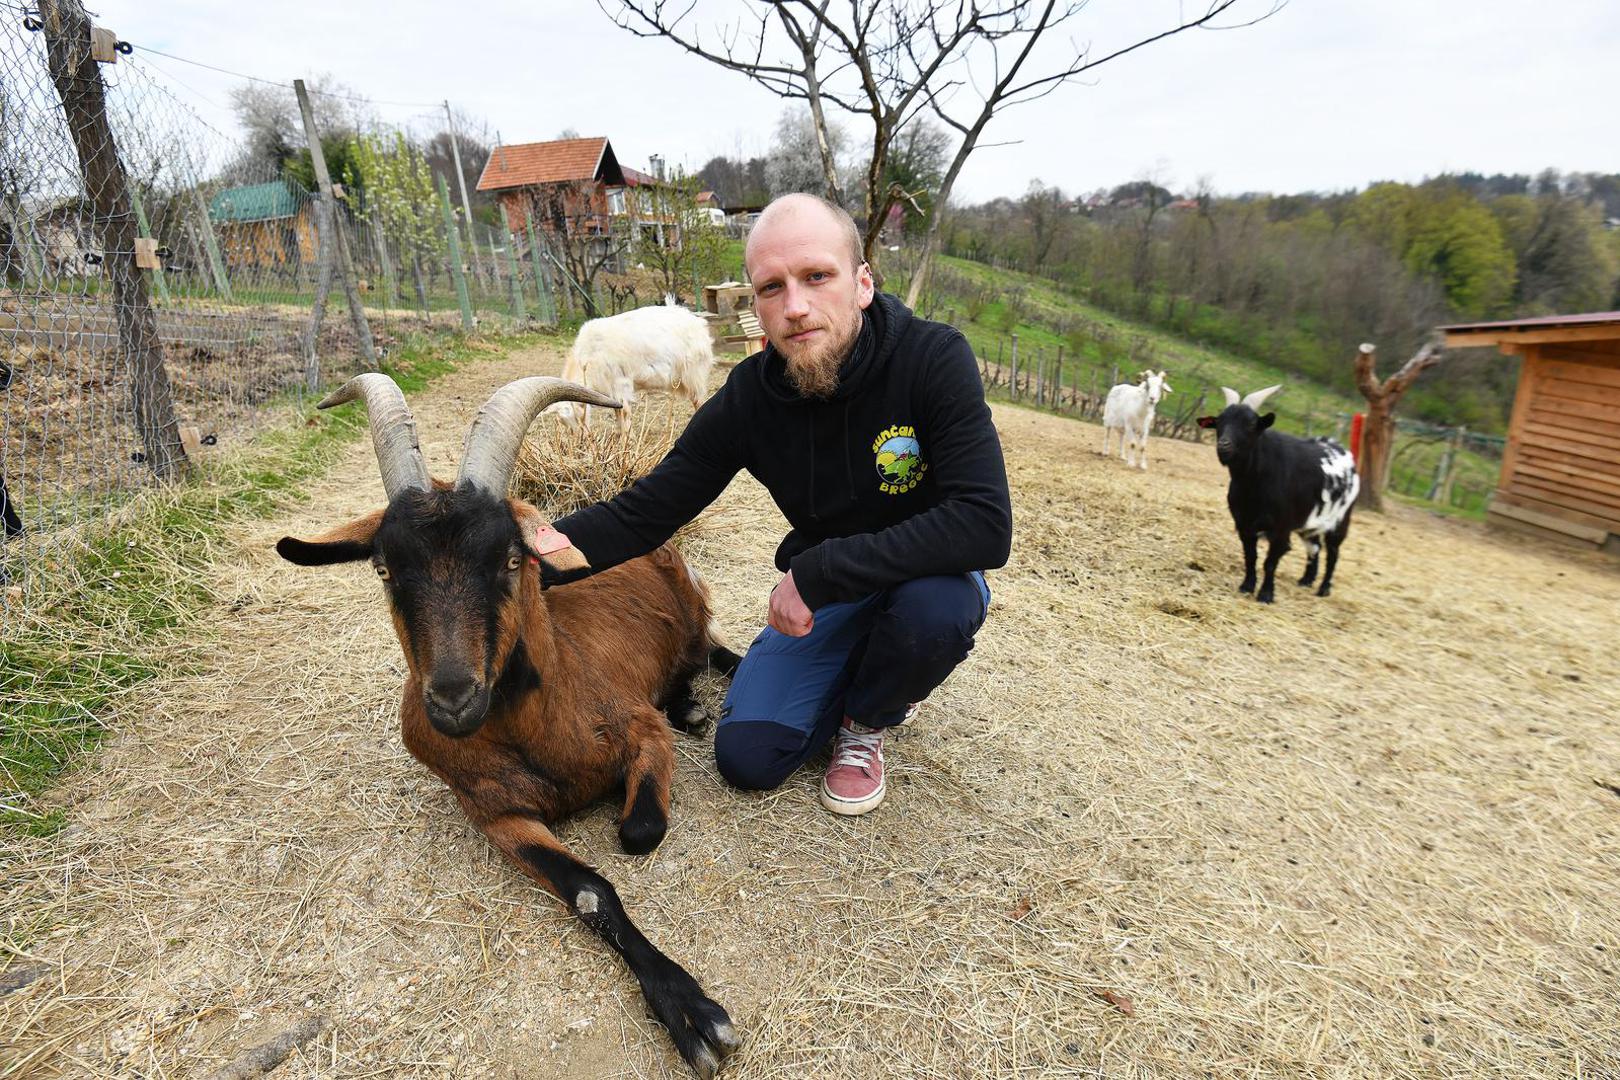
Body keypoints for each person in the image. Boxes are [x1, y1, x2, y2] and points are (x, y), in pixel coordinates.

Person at [548, 192, 1012, 815]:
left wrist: (819, 572)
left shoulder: (932, 358)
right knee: (749, 757)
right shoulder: (750, 399)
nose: (795, 307)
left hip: (916, 576)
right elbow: (644, 512)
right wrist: (517, 550)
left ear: (862, 283)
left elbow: (984, 524)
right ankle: (878, 664)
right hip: (837, 599)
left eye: (817, 276)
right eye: (771, 288)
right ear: (756, 307)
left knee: (937, 608)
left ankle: (868, 720)